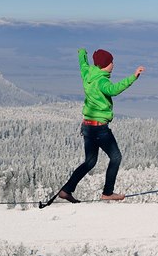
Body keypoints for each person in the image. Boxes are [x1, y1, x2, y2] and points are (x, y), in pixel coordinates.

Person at [58, 48, 145, 203]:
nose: (113, 65)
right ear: (105, 65)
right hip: (100, 129)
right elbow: (114, 90)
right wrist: (133, 77)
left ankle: (66, 190)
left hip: (87, 126)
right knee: (116, 157)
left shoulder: (88, 74)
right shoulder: (102, 81)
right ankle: (107, 193)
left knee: (90, 162)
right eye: (111, 62)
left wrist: (81, 52)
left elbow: (83, 64)